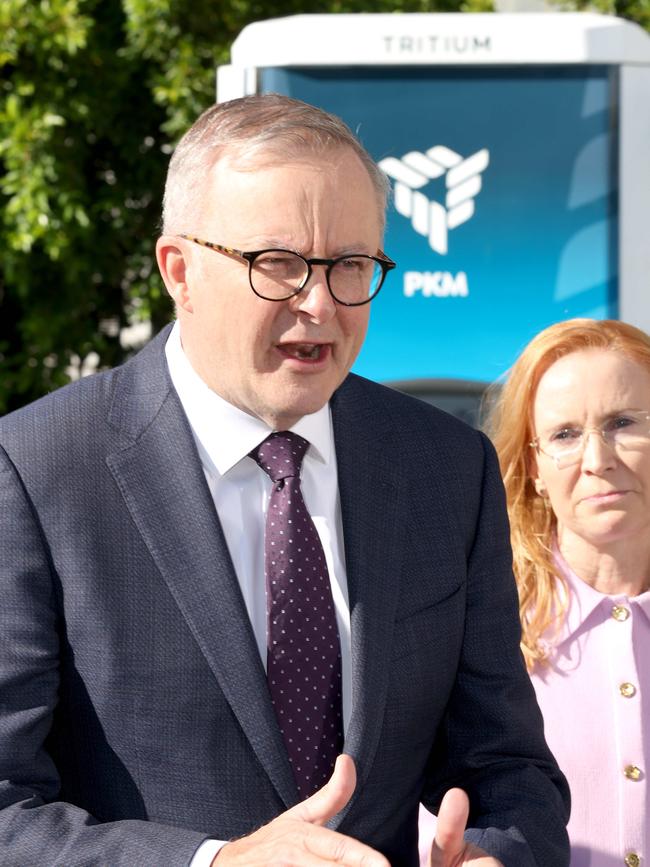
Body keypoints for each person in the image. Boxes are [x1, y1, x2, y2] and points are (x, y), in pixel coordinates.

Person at [0, 93, 569, 867]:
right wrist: (213, 862)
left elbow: (507, 767)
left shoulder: (444, 466)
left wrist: (497, 852)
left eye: (351, 266)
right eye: (278, 265)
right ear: (180, 270)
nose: (321, 303)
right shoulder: (38, 468)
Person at [485, 317, 650, 866]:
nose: (597, 460)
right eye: (564, 435)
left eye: (623, 422)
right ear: (534, 466)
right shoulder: (479, 625)